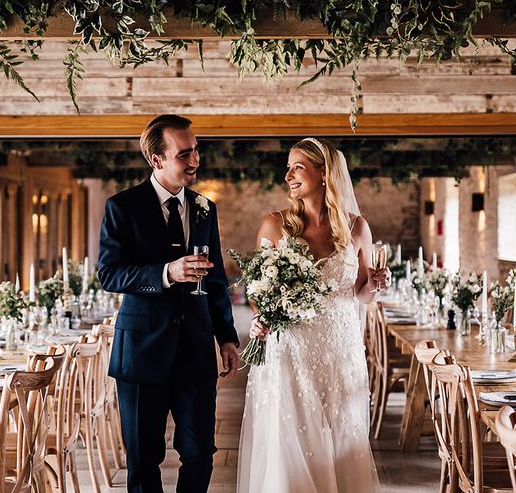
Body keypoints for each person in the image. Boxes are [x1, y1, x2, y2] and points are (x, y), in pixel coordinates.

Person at [237, 137, 390, 493]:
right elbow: (258, 292)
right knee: (291, 438)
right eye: (288, 167)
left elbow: (362, 294)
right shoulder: (275, 226)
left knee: (340, 434)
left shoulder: (356, 228)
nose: (288, 174)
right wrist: (262, 317)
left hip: (342, 348)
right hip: (292, 348)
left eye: (297, 167)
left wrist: (377, 284)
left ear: (324, 173)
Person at [98, 114, 239, 493]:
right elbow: (109, 274)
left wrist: (227, 337)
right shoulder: (122, 207)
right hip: (141, 352)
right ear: (156, 159)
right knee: (144, 459)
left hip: (195, 349)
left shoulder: (205, 208)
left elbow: (216, 279)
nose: (195, 160)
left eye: (196, 151)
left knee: (200, 453)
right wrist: (166, 273)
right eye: (185, 153)